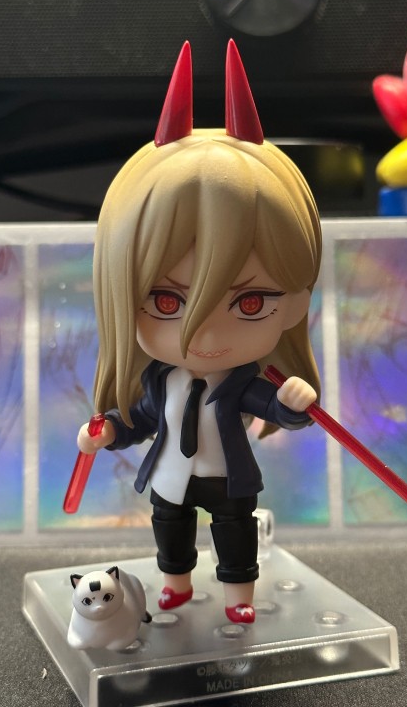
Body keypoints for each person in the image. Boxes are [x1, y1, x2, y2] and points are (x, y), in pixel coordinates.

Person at [77, 41, 322, 623]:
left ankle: (239, 599)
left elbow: (278, 410)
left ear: (295, 304)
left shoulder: (242, 383)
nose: (203, 334)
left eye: (250, 301)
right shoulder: (159, 381)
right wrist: (104, 432)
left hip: (229, 479)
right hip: (170, 475)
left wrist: (294, 403)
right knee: (170, 527)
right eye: (166, 301)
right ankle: (176, 584)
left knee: (235, 534)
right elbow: (139, 421)